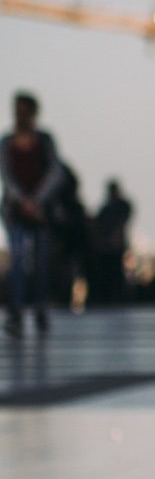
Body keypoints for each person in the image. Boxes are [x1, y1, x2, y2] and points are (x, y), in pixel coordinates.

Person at [2, 93, 68, 338]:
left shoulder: (44, 141)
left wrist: (37, 200)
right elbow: (6, 175)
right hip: (17, 212)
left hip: (42, 212)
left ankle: (40, 307)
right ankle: (17, 311)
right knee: (18, 260)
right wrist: (22, 201)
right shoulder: (6, 142)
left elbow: (55, 171)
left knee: (40, 262)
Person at [86, 180, 133, 308]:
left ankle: (117, 298)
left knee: (116, 273)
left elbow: (122, 223)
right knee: (109, 273)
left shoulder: (120, 206)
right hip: (106, 247)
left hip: (114, 247)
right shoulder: (108, 208)